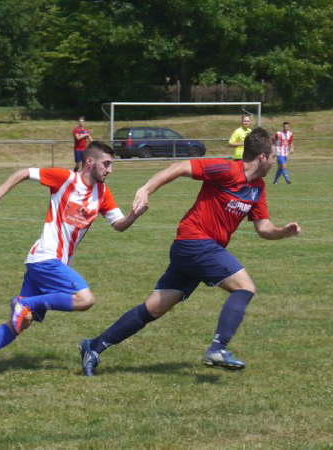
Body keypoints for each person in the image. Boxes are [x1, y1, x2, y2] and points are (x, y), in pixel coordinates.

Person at [79, 127, 301, 376]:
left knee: (154, 308)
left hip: (198, 250)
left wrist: (283, 231)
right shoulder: (227, 170)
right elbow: (181, 167)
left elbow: (263, 227)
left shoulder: (257, 187)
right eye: (273, 156)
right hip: (195, 242)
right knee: (245, 287)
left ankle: (94, 346)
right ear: (262, 157)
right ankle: (218, 348)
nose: (276, 160)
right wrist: (146, 189)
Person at [0, 141, 146, 376]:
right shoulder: (65, 179)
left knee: (22, 322)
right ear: (90, 162)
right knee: (85, 299)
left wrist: (134, 215)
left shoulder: (103, 193)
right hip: (46, 258)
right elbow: (24, 172)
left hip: (52, 263)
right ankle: (24, 304)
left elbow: (118, 225)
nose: (110, 170)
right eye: (106, 164)